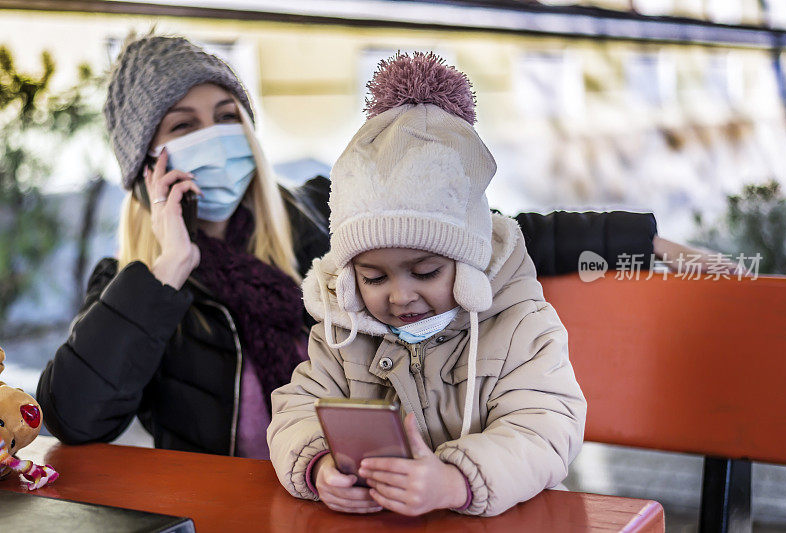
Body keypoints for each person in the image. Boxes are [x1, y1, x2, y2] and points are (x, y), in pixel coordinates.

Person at [35, 34, 694, 459]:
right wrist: (168, 269)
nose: (216, 137)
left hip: (371, 492)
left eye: (228, 117)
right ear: (146, 166)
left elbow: (480, 228)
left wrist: (639, 239)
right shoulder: (133, 285)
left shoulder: (322, 216)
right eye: (184, 126)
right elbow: (73, 418)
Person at [267, 52, 585, 517]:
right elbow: (295, 410)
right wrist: (318, 466)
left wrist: (457, 482)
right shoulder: (343, 335)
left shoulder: (521, 326)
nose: (400, 296)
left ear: (469, 260)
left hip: (510, 518)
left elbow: (545, 428)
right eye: (374, 277)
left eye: (426, 271)